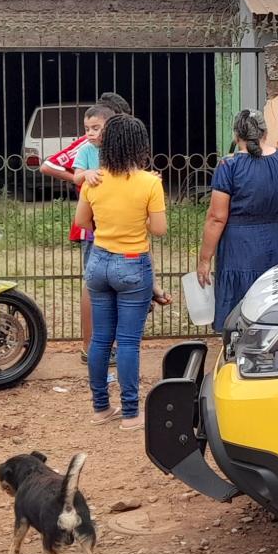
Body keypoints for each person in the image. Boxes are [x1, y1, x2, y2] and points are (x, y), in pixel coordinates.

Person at [73, 114, 167, 430]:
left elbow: (83, 222)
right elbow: (159, 229)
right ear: (140, 146)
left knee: (101, 338)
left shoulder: (93, 180)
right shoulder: (150, 183)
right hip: (132, 263)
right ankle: (130, 414)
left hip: (98, 261)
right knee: (127, 342)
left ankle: (101, 408)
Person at [196, 111, 278, 330]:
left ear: (236, 135)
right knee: (272, 307)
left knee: (237, 312)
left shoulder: (229, 166)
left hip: (238, 247)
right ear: (266, 133)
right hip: (275, 242)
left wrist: (205, 258)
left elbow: (217, 217)